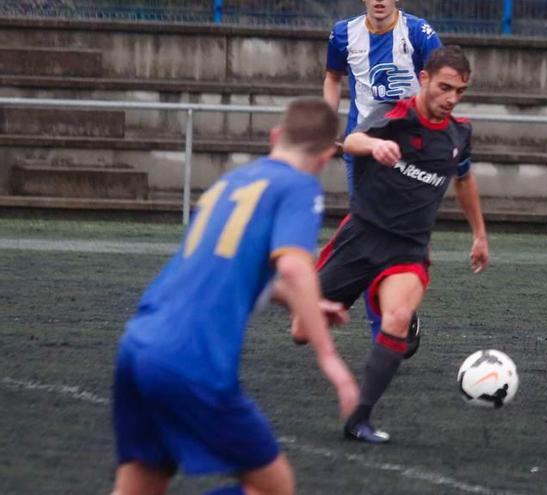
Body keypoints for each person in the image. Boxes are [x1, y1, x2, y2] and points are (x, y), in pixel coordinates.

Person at [111, 98, 359, 494]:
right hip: (191, 359)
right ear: (328, 155)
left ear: (275, 137)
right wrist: (330, 359)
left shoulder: (233, 181)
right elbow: (294, 267)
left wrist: (306, 303)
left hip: (138, 344)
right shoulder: (299, 185)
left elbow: (230, 267)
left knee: (142, 483)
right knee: (274, 487)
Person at [298, 45, 488, 443]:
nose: (451, 98)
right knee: (301, 330)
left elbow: (465, 180)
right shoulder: (394, 115)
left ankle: (359, 419)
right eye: (444, 87)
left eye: (460, 91)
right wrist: (375, 146)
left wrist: (479, 235)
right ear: (424, 80)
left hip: (408, 250)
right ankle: (357, 293)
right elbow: (350, 141)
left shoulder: (459, 133)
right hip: (361, 238)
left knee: (398, 318)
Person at [324, 0, 443, 348]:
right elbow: (332, 78)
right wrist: (328, 123)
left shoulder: (419, 34)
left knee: (408, 239)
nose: (379, 0)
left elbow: (441, 83)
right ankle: (385, 334)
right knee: (370, 238)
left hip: (412, 152)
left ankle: (401, 306)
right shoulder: (343, 34)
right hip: (362, 151)